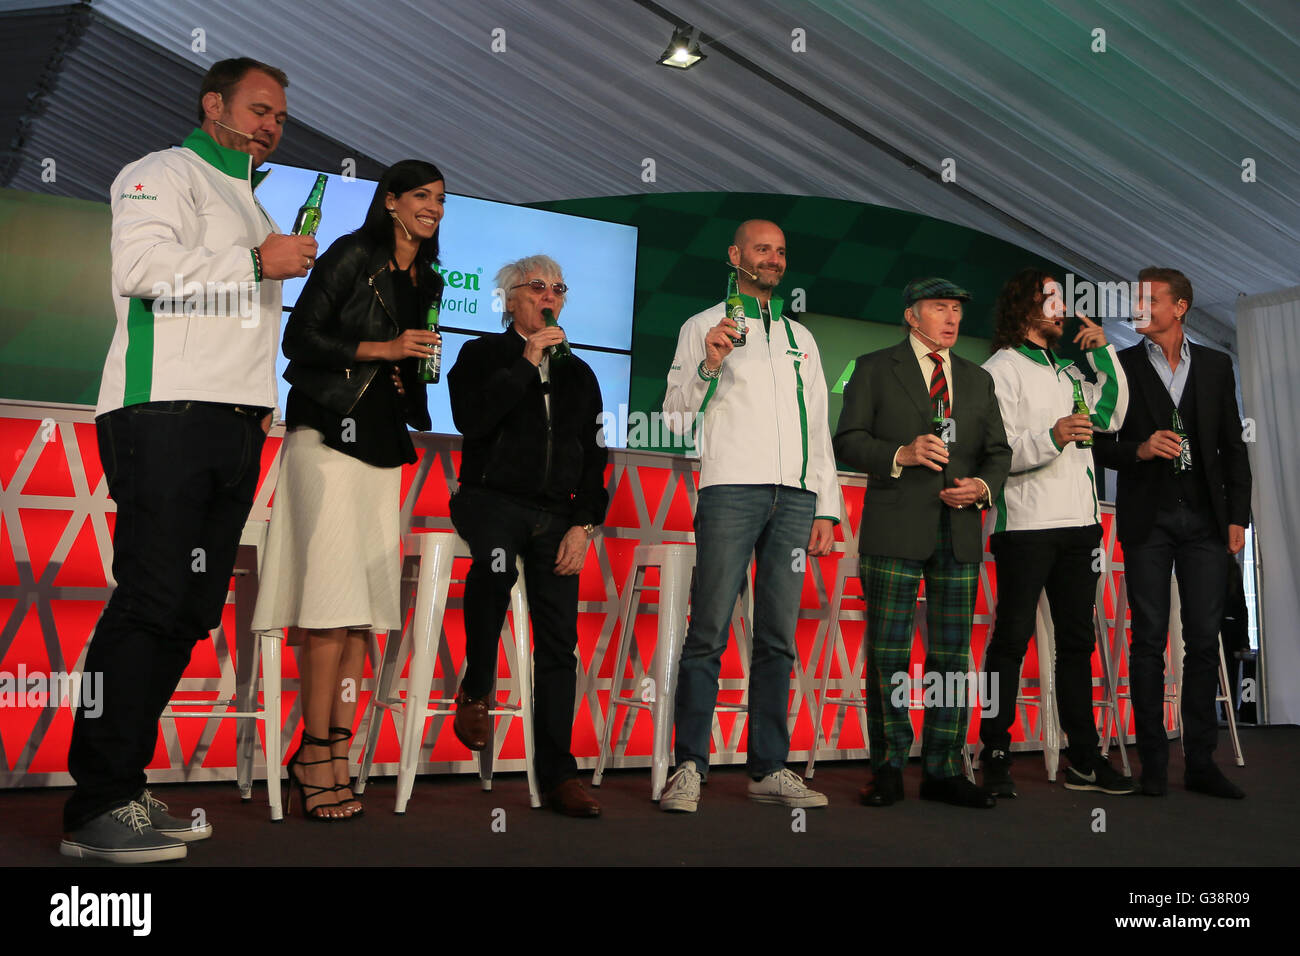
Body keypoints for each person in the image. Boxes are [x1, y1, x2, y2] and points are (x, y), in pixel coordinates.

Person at [62, 58, 316, 862]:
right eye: (258, 109)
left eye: (279, 115)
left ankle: (124, 786)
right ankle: (95, 801)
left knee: (189, 610)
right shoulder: (160, 172)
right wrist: (254, 263)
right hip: (162, 411)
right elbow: (141, 275)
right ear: (213, 106)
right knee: (148, 598)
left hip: (237, 421)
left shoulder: (253, 199)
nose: (271, 124)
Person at [251, 161, 445, 820]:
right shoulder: (350, 254)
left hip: (384, 444)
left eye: (440, 200)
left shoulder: (429, 279)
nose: (433, 208)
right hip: (330, 434)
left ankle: (335, 745)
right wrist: (383, 350)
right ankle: (312, 748)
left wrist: (413, 372)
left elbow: (413, 362)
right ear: (390, 202)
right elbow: (299, 339)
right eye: (421, 196)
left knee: (361, 610)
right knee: (329, 603)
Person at [658, 220, 840, 813]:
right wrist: (710, 363)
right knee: (707, 631)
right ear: (735, 255)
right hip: (730, 490)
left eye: (782, 251)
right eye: (762, 249)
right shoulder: (700, 327)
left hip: (794, 499)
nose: (774, 260)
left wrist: (826, 506)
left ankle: (768, 768)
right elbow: (676, 420)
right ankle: (689, 766)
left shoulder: (801, 338)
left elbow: (819, 426)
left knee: (778, 638)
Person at [834, 278, 1011, 809]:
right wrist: (901, 454)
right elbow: (847, 441)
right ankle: (888, 766)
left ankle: (943, 767)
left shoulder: (978, 380)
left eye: (957, 309)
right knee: (889, 652)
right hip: (894, 527)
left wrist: (982, 488)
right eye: (940, 308)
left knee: (953, 658)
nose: (952, 318)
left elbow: (997, 453)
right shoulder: (873, 367)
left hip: (958, 531)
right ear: (913, 316)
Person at [446, 256, 608, 817]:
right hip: (490, 500)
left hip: (556, 516)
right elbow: (472, 419)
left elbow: (593, 461)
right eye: (538, 287)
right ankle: (478, 684)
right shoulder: (480, 355)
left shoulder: (580, 375)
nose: (550, 297)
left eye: (558, 289)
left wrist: (584, 527)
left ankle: (560, 775)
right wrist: (527, 358)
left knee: (559, 641)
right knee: (493, 566)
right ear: (510, 299)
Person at [1092, 268, 1251, 799]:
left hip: (1207, 521)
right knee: (1149, 642)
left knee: (1205, 642)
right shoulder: (1121, 365)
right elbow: (1099, 444)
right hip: (1148, 521)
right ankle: (1153, 764)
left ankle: (1201, 762)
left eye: (1150, 299)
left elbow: (1234, 444)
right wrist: (1136, 450)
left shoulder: (1215, 365)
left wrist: (1238, 517)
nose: (1140, 307)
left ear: (1180, 307)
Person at [978, 269, 1133, 797]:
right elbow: (993, 453)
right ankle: (993, 752)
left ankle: (1084, 758)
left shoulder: (1069, 371)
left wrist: (1104, 355)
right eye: (1050, 300)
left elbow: (1111, 416)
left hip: (1078, 527)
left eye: (1062, 301)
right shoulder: (999, 369)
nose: (1062, 309)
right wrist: (1051, 436)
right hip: (1024, 525)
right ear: (1023, 308)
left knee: (1076, 642)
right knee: (1010, 642)